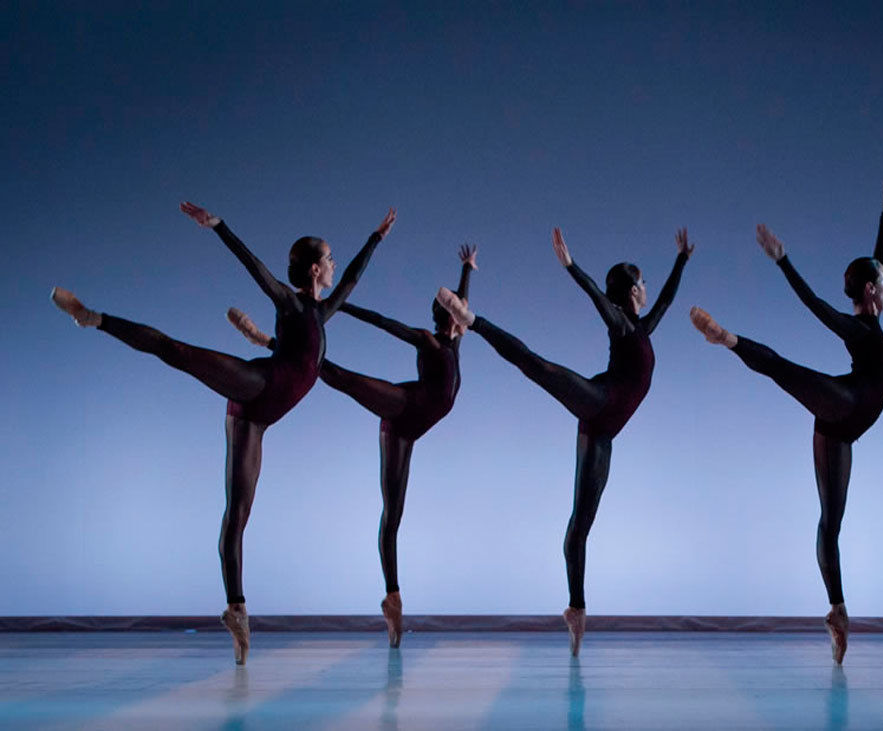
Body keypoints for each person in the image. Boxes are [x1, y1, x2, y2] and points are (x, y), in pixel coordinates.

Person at [51, 202, 395, 664]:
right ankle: (93, 317)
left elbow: (351, 277)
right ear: (314, 268)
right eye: (329, 259)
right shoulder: (290, 303)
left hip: (258, 418)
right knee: (178, 352)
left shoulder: (322, 309)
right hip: (258, 384)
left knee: (238, 513)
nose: (334, 266)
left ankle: (237, 611)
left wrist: (375, 238)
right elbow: (256, 269)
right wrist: (219, 226)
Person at [436, 228, 693, 655]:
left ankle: (576, 609)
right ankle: (473, 320)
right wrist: (573, 267)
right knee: (537, 366)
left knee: (581, 524)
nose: (647, 291)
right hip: (598, 399)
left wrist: (682, 259)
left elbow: (665, 298)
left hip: (603, 432)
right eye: (641, 283)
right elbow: (598, 298)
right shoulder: (621, 323)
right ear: (630, 290)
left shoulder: (643, 327)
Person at [689, 181, 883, 664]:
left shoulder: (872, 318)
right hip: (844, 404)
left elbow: (879, 264)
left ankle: (837, 611)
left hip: (840, 432)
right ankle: (730, 340)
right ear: (871, 292)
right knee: (786, 370)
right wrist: (783, 261)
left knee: (831, 522)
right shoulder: (858, 328)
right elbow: (816, 306)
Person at [228, 245, 477, 647]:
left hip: (408, 432)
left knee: (394, 512)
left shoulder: (454, 344)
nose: (465, 314)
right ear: (451, 318)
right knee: (342, 378)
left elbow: (463, 305)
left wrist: (466, 268)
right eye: (459, 311)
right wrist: (340, 306)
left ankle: (392, 600)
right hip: (402, 407)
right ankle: (270, 343)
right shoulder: (428, 341)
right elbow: (383, 322)